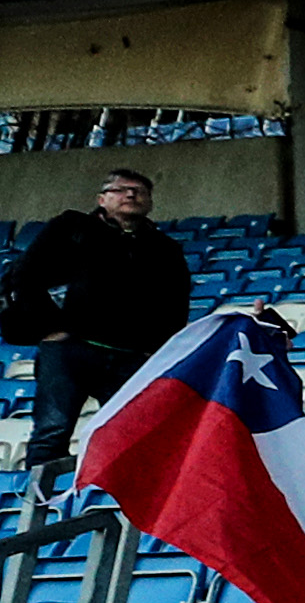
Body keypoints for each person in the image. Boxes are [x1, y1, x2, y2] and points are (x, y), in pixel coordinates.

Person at [3, 163, 190, 464]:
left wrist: (156, 349)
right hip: (69, 349)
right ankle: (41, 507)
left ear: (150, 202)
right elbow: (23, 275)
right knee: (52, 431)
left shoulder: (164, 248)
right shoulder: (71, 228)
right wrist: (49, 327)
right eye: (121, 189)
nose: (130, 194)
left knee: (136, 433)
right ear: (101, 199)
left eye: (139, 191)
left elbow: (177, 301)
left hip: (130, 357)